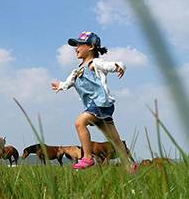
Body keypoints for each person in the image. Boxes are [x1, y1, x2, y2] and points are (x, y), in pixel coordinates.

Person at [51, 31, 135, 171]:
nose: (76, 48)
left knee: (79, 123)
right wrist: (61, 86)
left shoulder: (94, 63)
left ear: (91, 46)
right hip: (101, 108)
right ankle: (129, 166)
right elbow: (68, 83)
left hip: (99, 104)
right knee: (114, 139)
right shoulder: (76, 71)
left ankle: (88, 158)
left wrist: (120, 66)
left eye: (79, 45)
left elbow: (110, 65)